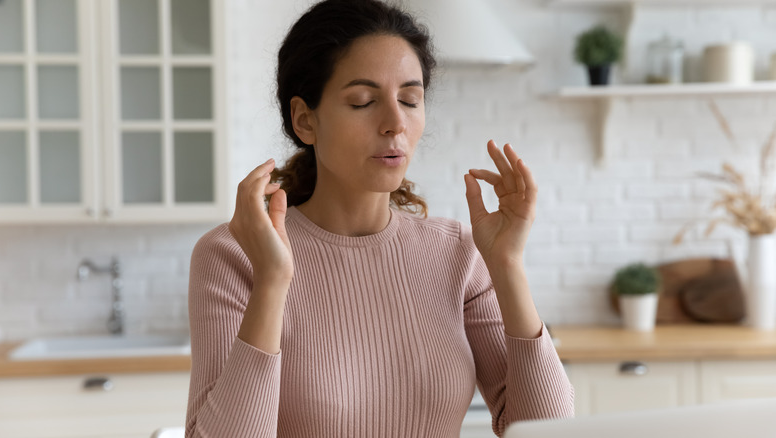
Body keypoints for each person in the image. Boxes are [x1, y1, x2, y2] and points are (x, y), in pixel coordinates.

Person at [184, 0, 574, 437]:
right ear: (305, 120)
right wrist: (273, 280)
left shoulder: (458, 254)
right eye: (364, 101)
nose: (395, 123)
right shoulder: (234, 255)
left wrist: (507, 267)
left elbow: (549, 430)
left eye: (410, 99)